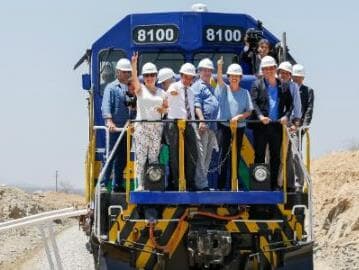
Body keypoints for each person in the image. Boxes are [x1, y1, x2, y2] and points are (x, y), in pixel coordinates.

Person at [250, 56, 293, 190]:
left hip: (276, 127)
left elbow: (290, 106)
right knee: (259, 155)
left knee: (275, 156)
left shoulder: (283, 86)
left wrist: (286, 116)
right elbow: (253, 103)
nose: (268, 71)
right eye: (265, 69)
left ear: (275, 69)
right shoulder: (257, 84)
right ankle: (259, 186)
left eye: (271, 68)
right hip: (261, 127)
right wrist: (260, 116)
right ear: (262, 70)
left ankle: (273, 185)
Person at [131, 52, 168, 191]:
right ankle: (140, 184)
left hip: (156, 127)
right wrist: (134, 65)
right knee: (141, 158)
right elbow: (134, 79)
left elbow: (166, 109)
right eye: (147, 75)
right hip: (142, 126)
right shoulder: (140, 90)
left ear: (156, 76)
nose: (150, 78)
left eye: (152, 75)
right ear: (144, 77)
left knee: (154, 157)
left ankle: (153, 184)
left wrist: (162, 110)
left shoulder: (162, 93)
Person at [215, 58, 253, 190]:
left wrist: (239, 117)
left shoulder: (245, 93)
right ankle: (220, 187)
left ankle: (234, 185)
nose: (234, 78)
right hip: (224, 128)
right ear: (229, 77)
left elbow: (249, 111)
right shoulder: (224, 89)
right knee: (223, 156)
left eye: (237, 76)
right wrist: (219, 66)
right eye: (232, 76)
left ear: (240, 78)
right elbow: (219, 80)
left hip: (239, 128)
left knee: (235, 157)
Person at [165, 63, 201, 190]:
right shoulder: (173, 87)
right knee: (175, 155)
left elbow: (190, 109)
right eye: (186, 77)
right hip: (174, 124)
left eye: (191, 77)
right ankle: (176, 182)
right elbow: (167, 98)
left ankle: (190, 182)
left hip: (188, 124)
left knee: (192, 153)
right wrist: (171, 92)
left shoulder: (191, 92)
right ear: (181, 76)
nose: (188, 80)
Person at [101, 58, 132, 192]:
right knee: (111, 156)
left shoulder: (132, 87)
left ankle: (117, 184)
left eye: (128, 72)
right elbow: (106, 105)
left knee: (123, 158)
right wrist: (109, 120)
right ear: (118, 72)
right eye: (124, 72)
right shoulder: (111, 88)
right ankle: (103, 183)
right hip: (115, 128)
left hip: (128, 129)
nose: (126, 74)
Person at [192, 58, 219, 191]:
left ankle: (203, 182)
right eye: (205, 70)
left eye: (209, 70)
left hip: (211, 127)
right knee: (201, 156)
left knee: (208, 156)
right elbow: (196, 105)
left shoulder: (210, 87)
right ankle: (200, 183)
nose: (207, 72)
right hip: (202, 127)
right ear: (199, 71)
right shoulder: (198, 86)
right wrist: (201, 120)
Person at [290, 64, 315, 191]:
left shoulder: (308, 91)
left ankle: (298, 184)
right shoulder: (287, 89)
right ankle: (279, 182)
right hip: (285, 127)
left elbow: (309, 109)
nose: (297, 79)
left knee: (296, 154)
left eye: (299, 77)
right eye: (295, 77)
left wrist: (303, 126)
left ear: (303, 78)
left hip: (298, 128)